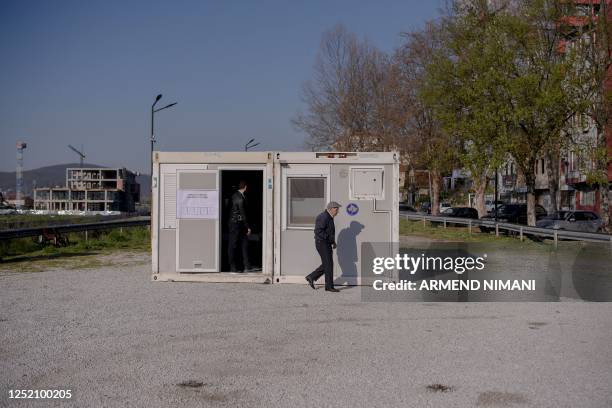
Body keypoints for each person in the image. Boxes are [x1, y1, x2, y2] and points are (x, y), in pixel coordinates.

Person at [305, 201, 341, 292]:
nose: (338, 211)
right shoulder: (323, 217)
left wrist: (333, 242)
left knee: (327, 264)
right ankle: (328, 286)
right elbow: (318, 231)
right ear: (331, 209)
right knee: (328, 264)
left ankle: (312, 277)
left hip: (326, 243)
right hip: (322, 243)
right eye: (336, 209)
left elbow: (328, 232)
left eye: (338, 209)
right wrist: (329, 239)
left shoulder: (329, 217)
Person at [228, 180, 253, 272]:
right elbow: (243, 213)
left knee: (243, 243)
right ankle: (233, 267)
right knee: (234, 244)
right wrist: (248, 227)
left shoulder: (235, 196)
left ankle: (245, 265)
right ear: (245, 187)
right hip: (237, 224)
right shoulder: (240, 198)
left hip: (236, 223)